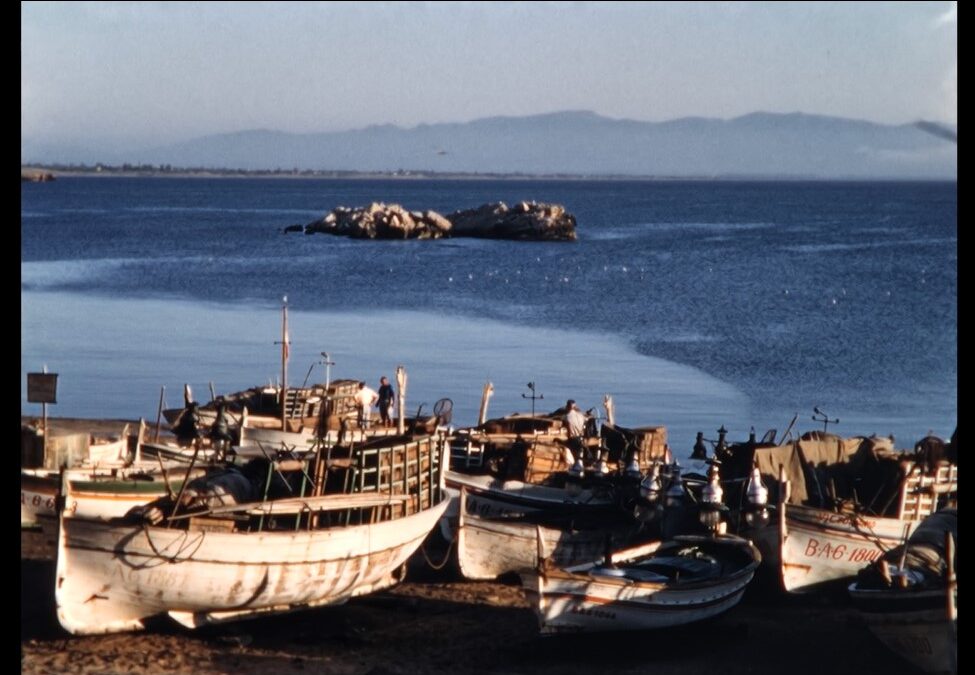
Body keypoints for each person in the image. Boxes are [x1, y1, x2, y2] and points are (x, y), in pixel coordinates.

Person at [563, 399, 588, 464]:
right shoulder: (581, 415)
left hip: (573, 440)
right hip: (581, 438)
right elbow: (586, 421)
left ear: (567, 407)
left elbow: (569, 433)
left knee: (557, 441)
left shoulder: (567, 417)